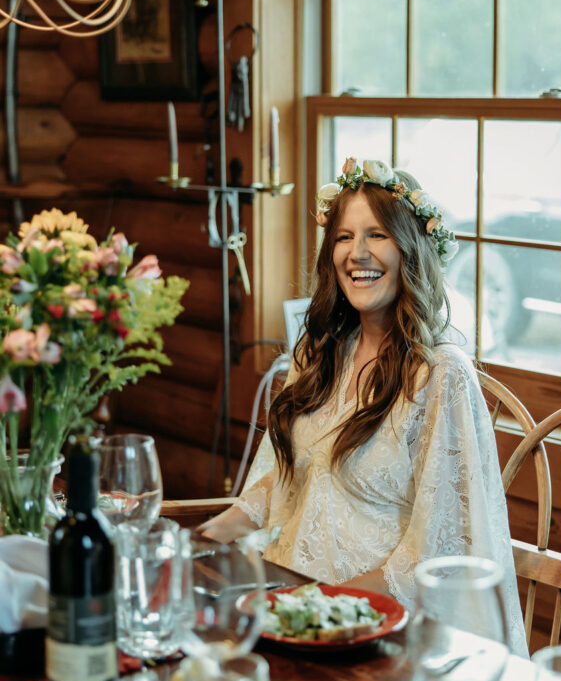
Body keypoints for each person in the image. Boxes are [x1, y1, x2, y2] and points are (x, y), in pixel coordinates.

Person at [201, 157, 527, 655]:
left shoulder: (441, 375)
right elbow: (284, 479)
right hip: (286, 597)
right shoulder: (318, 351)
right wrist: (207, 535)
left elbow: (438, 549)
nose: (357, 253)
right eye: (343, 237)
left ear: (411, 249)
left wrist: (326, 606)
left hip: (378, 627)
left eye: (376, 235)